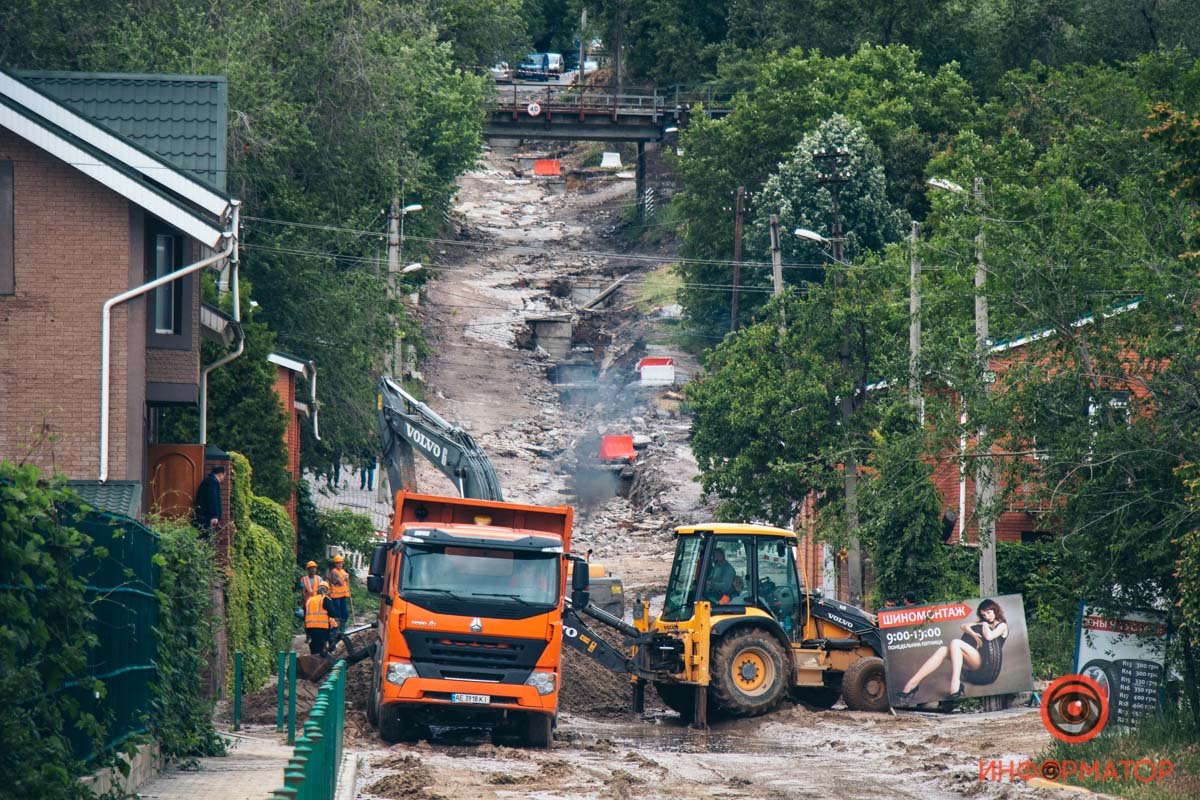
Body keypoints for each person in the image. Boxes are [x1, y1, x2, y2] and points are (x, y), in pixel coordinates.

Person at [895, 599, 1010, 703]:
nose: (987, 617)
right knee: (943, 650)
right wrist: (973, 633)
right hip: (974, 660)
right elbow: (964, 626)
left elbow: (989, 637)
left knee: (955, 642)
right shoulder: (984, 622)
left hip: (985, 665)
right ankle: (913, 683)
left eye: (989, 613)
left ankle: (955, 684)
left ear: (995, 610)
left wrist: (984, 624)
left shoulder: (1002, 626)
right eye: (984, 615)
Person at [304, 583, 338, 655]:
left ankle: (313, 659)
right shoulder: (325, 599)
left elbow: (305, 614)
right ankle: (320, 661)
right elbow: (332, 613)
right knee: (321, 647)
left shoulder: (309, 600)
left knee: (314, 645)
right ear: (326, 590)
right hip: (321, 627)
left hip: (309, 628)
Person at [193, 466, 225, 536]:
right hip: (206, 517)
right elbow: (212, 499)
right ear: (220, 474)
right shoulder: (212, 482)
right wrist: (215, 516)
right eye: (223, 475)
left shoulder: (210, 481)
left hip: (204, 515)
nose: (223, 478)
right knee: (205, 538)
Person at [326, 555, 351, 629]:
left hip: (343, 595)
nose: (340, 564)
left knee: (345, 613)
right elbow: (341, 582)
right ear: (335, 564)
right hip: (336, 596)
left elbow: (346, 581)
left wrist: (346, 577)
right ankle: (338, 629)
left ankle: (342, 627)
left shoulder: (342, 571)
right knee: (338, 613)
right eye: (338, 563)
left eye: (341, 563)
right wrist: (345, 577)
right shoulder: (334, 572)